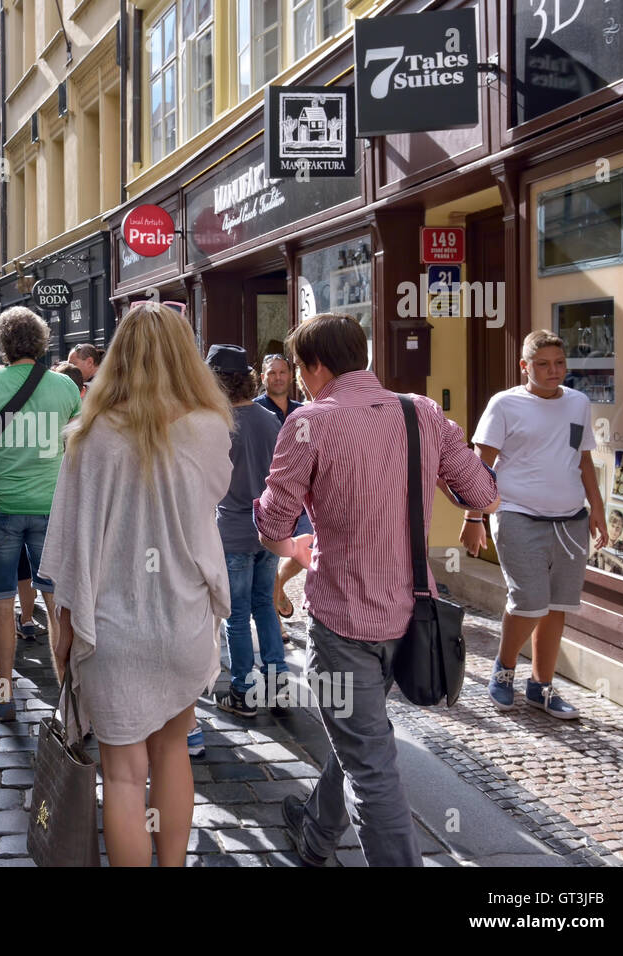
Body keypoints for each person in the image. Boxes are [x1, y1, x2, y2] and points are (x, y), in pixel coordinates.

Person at [255, 313, 499, 867]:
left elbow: (273, 528)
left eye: (297, 367)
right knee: (363, 735)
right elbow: (482, 490)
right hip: (411, 614)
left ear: (314, 366)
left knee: (371, 767)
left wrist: (274, 518)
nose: (297, 379)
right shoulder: (422, 412)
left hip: (343, 622)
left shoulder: (307, 424)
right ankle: (316, 837)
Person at [39, 303, 234, 866]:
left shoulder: (90, 436)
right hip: (182, 618)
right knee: (175, 751)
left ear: (115, 357)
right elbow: (211, 500)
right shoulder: (210, 428)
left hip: (115, 628)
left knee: (123, 778)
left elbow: (71, 548)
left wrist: (64, 629)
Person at [467, 330, 606, 721]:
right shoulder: (505, 404)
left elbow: (583, 461)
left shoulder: (578, 403)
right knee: (529, 599)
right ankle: (505, 668)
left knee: (557, 605)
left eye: (559, 363)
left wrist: (596, 507)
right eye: (542, 364)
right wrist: (473, 516)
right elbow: (480, 466)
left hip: (570, 518)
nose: (553, 371)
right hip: (517, 512)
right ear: (524, 366)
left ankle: (541, 686)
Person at [0, 308, 82, 721]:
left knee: (0, 601)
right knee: (59, 601)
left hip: (1, 507)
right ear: (42, 342)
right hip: (53, 507)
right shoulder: (66, 388)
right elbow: (81, 453)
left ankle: (4, 692)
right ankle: (70, 695)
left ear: (2, 344)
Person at [207, 345, 287, 719]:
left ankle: (243, 690)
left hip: (234, 530)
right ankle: (278, 683)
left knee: (237, 615)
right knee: (264, 606)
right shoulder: (270, 418)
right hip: (268, 528)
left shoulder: (219, 424)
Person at [256, 353, 313, 642]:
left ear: (290, 376)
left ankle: (279, 587)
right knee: (268, 560)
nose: (278, 377)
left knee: (306, 549)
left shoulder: (301, 411)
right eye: (272, 373)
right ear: (263, 377)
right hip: (269, 495)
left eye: (282, 372)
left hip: (302, 495)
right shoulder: (255, 410)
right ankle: (276, 625)